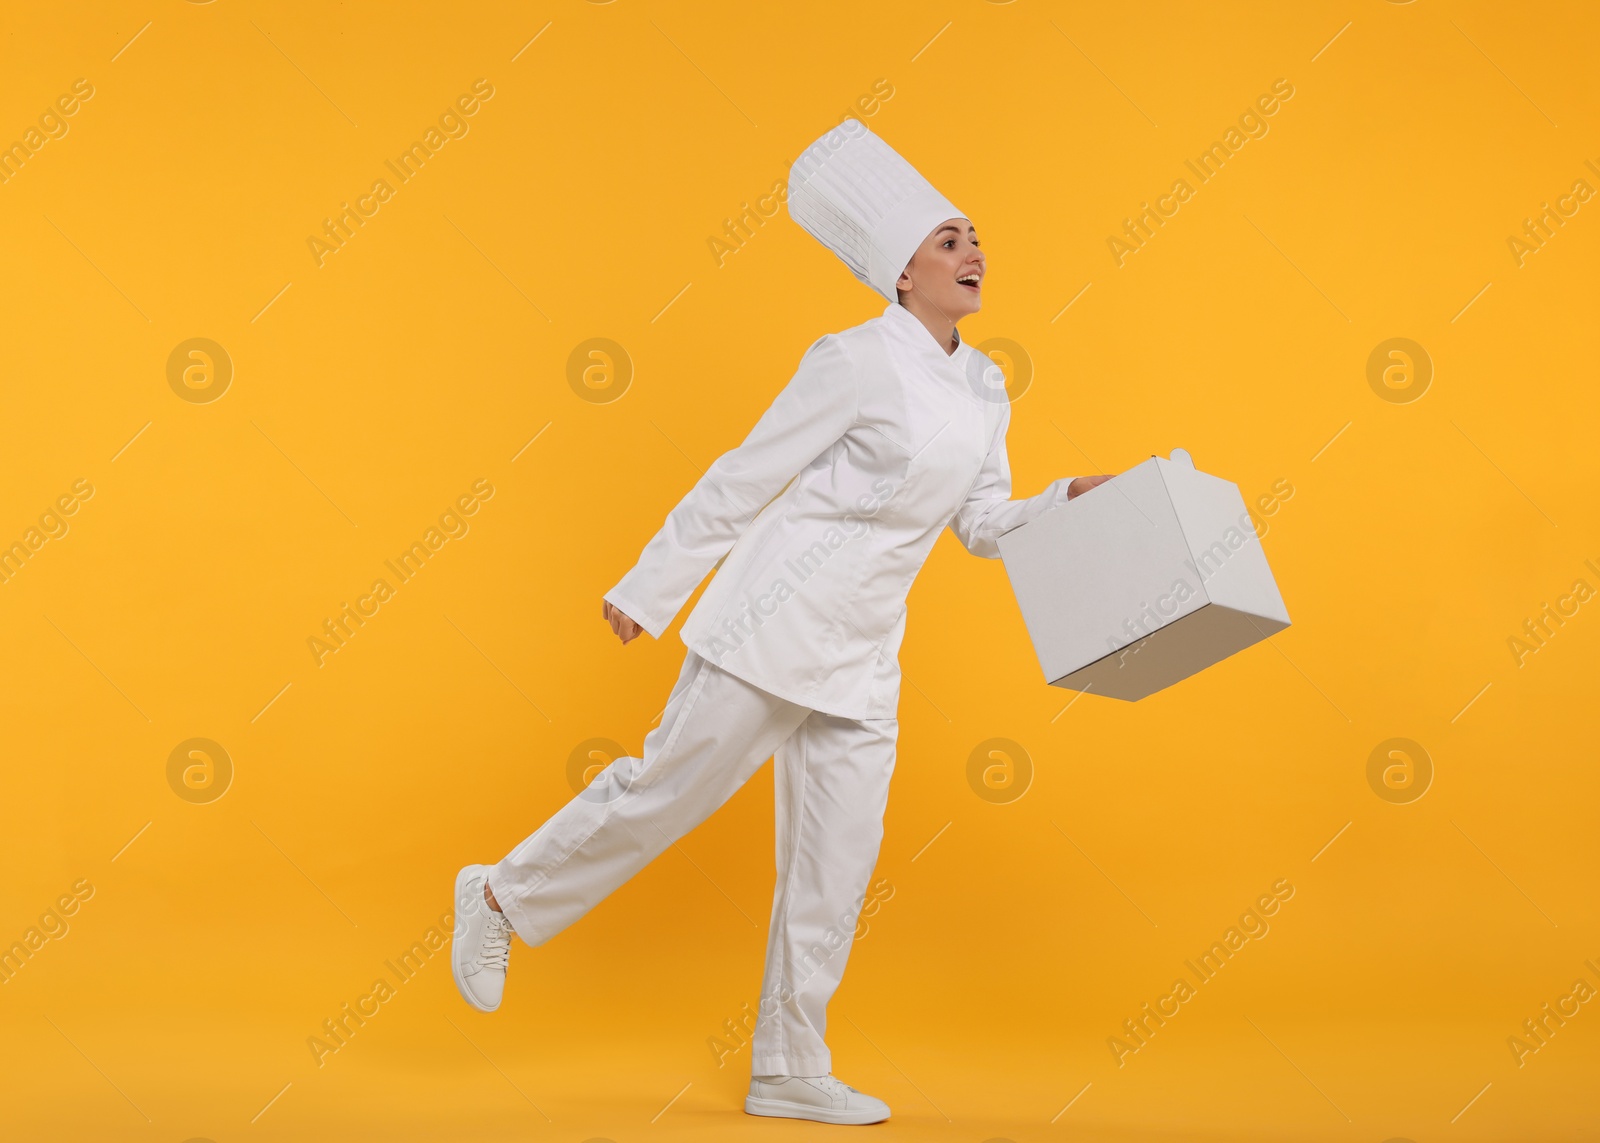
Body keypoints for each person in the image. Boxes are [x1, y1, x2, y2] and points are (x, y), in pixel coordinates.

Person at [451, 118, 1113, 1126]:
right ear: (900, 274)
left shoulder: (984, 384)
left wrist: (1068, 498)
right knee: (664, 795)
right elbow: (746, 472)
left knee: (835, 866)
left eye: (975, 237)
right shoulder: (851, 360)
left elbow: (979, 526)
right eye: (949, 240)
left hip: (864, 651)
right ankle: (499, 895)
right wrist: (651, 584)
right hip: (772, 620)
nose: (973, 252)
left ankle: (789, 1064)